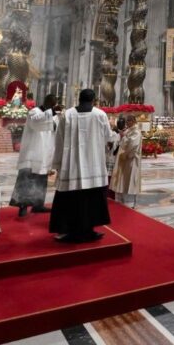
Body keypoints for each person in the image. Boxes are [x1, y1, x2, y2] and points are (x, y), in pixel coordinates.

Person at [50, 89, 118, 243]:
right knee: (91, 198)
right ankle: (88, 229)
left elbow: (59, 140)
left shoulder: (67, 115)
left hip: (71, 165)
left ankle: (69, 230)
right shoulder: (100, 114)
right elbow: (108, 136)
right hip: (93, 164)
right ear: (93, 100)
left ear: (79, 99)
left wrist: (57, 162)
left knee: (71, 198)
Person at [12, 94, 59, 216]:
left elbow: (55, 129)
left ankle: (38, 205)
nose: (53, 106)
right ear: (46, 102)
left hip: (45, 152)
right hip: (32, 152)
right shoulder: (34, 111)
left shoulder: (52, 115)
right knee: (27, 178)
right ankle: (22, 205)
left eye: (54, 104)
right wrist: (51, 112)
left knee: (41, 178)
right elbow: (37, 124)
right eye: (51, 104)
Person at [110, 114, 143, 207]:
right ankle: (121, 200)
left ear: (134, 121)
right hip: (124, 160)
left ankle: (129, 203)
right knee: (123, 179)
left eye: (129, 121)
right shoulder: (129, 130)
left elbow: (133, 145)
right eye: (126, 121)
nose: (127, 123)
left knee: (129, 180)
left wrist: (124, 154)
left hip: (130, 160)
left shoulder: (136, 132)